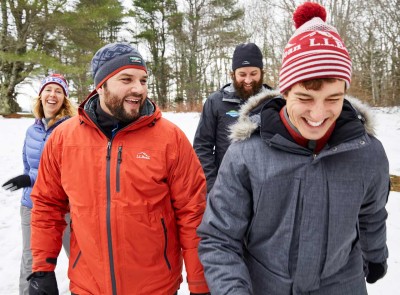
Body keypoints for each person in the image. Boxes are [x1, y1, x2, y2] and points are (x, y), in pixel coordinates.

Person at [197, 2, 390, 295]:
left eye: (333, 98)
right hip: (265, 284)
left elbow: (371, 214)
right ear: (284, 91)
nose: (318, 114)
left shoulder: (367, 152)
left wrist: (375, 256)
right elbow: (219, 239)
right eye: (305, 97)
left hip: (342, 283)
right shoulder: (247, 154)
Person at [27, 42, 210, 295]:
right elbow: (47, 205)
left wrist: (200, 284)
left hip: (156, 287)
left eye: (143, 80)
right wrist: (42, 269)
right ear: (100, 85)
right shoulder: (63, 139)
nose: (139, 89)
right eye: (126, 79)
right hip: (88, 285)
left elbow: (193, 214)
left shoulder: (171, 139)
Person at [2, 73, 75, 295]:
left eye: (58, 91)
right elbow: (28, 166)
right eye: (48, 90)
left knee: (80, 256)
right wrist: (28, 181)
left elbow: (69, 171)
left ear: (64, 99)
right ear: (40, 95)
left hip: (66, 206)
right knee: (30, 259)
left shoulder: (71, 130)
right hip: (32, 204)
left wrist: (31, 179)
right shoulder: (31, 130)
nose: (52, 95)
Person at [193, 43, 273, 192]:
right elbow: (202, 146)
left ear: (261, 72)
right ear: (233, 74)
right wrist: (213, 184)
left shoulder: (274, 102)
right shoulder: (215, 101)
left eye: (253, 73)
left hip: (266, 187)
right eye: (242, 74)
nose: (248, 80)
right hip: (226, 186)